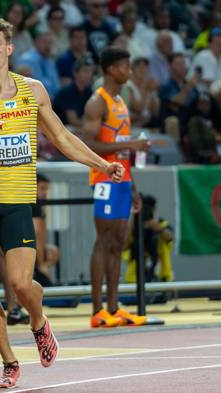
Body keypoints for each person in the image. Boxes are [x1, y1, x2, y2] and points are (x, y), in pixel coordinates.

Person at [0, 17, 124, 389]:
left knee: (21, 284)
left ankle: (38, 322)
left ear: (9, 48)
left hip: (16, 202)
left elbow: (61, 136)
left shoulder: (33, 90)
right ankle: (9, 362)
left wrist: (102, 163)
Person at [82, 47, 150, 329]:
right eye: (125, 66)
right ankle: (98, 309)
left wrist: (133, 186)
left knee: (119, 242)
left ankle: (113, 306)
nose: (129, 70)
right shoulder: (98, 102)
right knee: (104, 240)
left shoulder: (121, 101)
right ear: (111, 69)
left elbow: (122, 149)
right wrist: (129, 144)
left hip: (122, 180)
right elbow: (88, 144)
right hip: (104, 178)